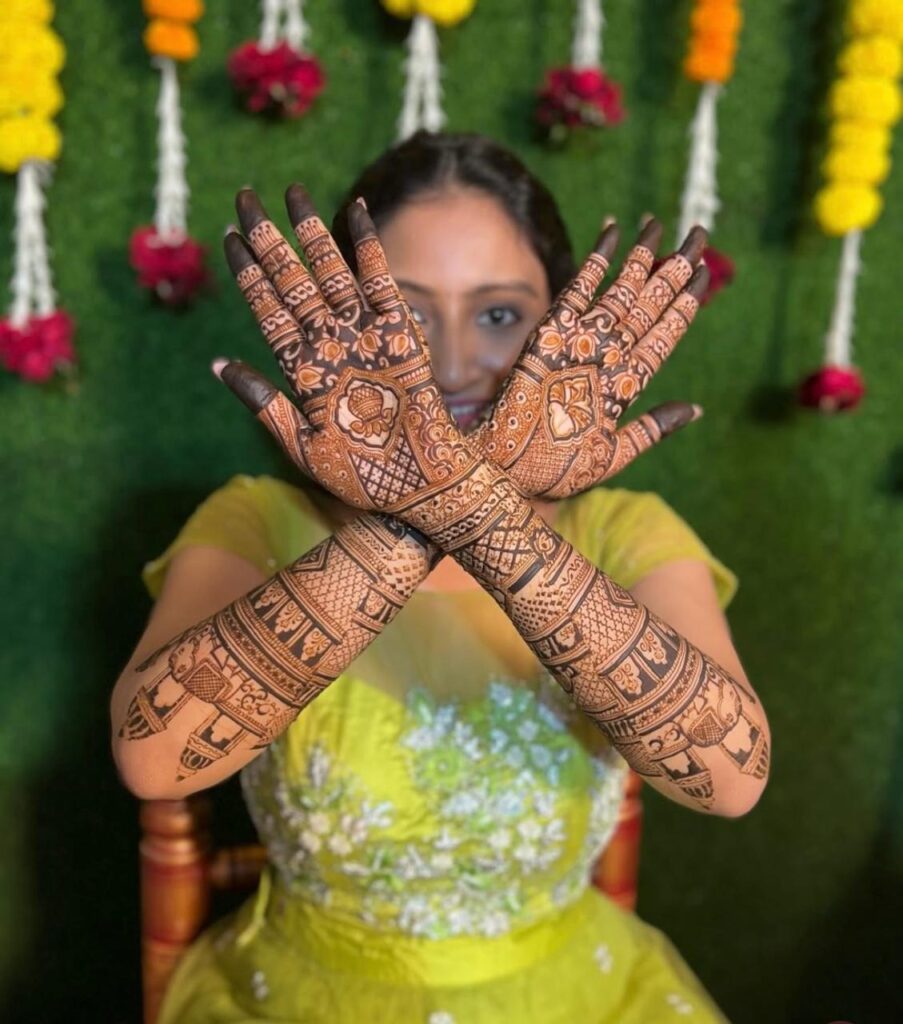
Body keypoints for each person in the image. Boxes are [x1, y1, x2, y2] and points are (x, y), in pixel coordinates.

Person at [111, 130, 770, 1023]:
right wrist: (430, 507)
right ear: (344, 329)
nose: (453, 365)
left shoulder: (624, 533)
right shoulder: (256, 521)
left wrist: (467, 510)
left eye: (498, 316)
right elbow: (155, 761)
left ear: (562, 330)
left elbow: (727, 779)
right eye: (408, 319)